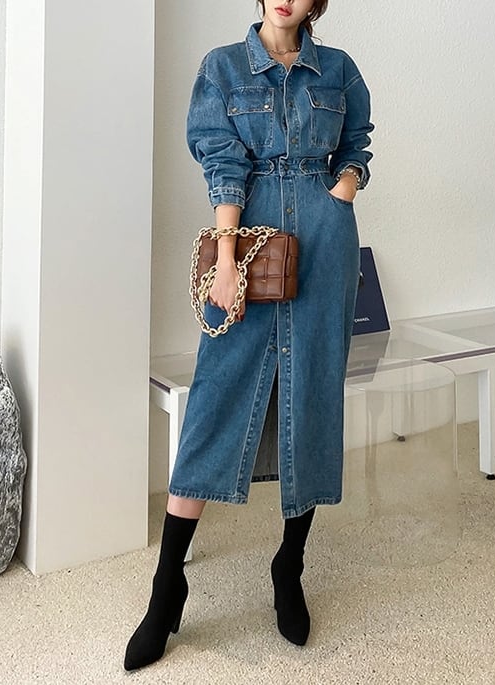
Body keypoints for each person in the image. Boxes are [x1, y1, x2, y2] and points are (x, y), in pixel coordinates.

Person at [124, 0, 373, 670]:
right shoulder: (224, 68)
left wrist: (343, 190)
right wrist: (227, 258)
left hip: (323, 242)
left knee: (311, 393)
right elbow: (222, 162)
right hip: (251, 234)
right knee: (216, 397)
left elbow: (356, 143)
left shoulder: (339, 69)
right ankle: (166, 586)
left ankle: (289, 565)